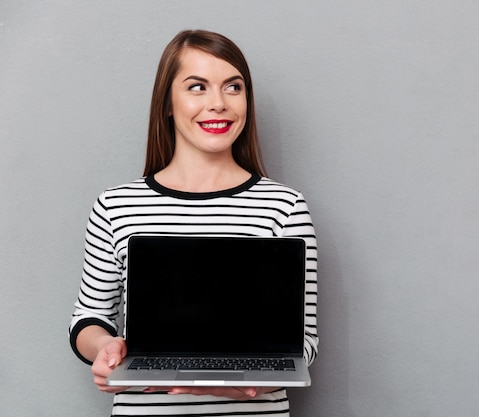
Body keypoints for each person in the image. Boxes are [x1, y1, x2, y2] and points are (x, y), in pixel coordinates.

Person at [68, 29, 318, 416]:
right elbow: (89, 318)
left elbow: (304, 343)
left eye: (233, 87)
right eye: (197, 87)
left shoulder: (284, 206)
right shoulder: (116, 205)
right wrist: (104, 348)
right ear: (168, 103)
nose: (218, 103)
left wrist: (248, 386)